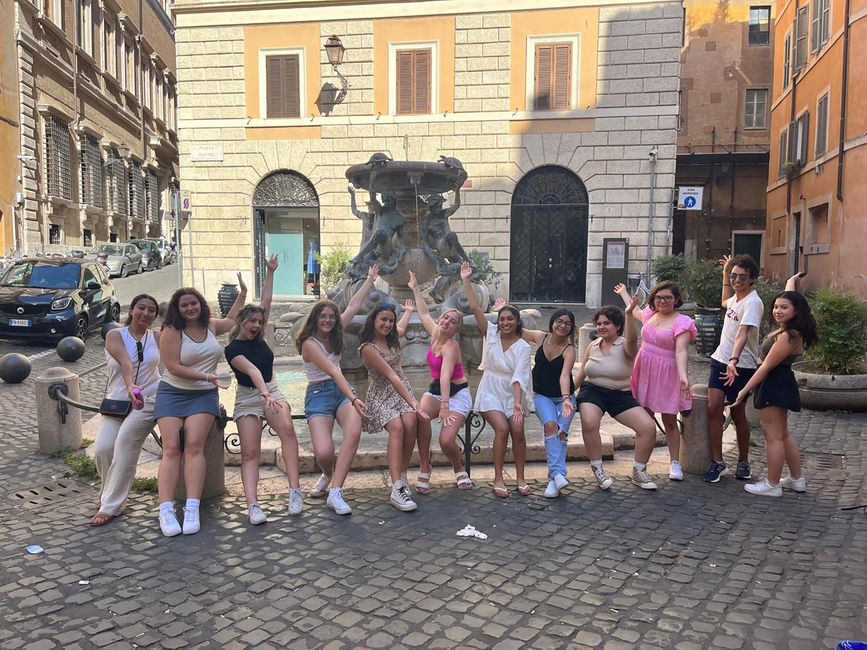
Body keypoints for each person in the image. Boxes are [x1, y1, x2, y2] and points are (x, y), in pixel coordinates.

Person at [154, 279, 245, 537]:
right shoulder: (172, 330)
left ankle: (192, 507)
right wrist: (207, 376)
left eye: (194, 303)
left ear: (200, 304)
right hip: (173, 392)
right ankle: (166, 509)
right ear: (177, 309)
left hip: (203, 396)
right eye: (185, 305)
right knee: (171, 448)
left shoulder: (211, 326)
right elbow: (172, 366)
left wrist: (244, 294)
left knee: (194, 446)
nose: (190, 308)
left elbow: (232, 319)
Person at [225, 256, 303, 524]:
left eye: (259, 321)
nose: (257, 325)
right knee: (249, 452)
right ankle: (253, 505)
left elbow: (266, 301)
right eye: (252, 322)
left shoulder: (260, 336)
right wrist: (263, 393)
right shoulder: (232, 349)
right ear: (241, 321)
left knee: (289, 431)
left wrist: (270, 272)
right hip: (249, 397)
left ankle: (295, 492)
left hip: (271, 390)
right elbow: (253, 371)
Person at [295, 266, 377, 515]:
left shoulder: (337, 331)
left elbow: (352, 305)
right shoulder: (309, 344)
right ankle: (327, 473)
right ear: (315, 319)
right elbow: (332, 370)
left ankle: (336, 491)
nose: (329, 320)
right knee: (324, 451)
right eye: (323, 317)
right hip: (319, 394)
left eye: (332, 316)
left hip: (341, 393)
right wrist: (354, 397)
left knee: (353, 432)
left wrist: (370, 279)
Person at [732, 274, 817, 496]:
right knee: (783, 434)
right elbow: (793, 297)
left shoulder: (788, 336)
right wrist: (791, 282)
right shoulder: (791, 330)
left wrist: (744, 390)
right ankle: (796, 480)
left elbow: (765, 367)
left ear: (796, 311)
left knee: (773, 436)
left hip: (774, 383)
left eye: (784, 307)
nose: (778, 310)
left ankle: (772, 484)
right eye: (776, 306)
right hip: (780, 382)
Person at [463, 262, 533, 498]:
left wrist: (516, 404)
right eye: (502, 319)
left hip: (512, 392)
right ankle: (498, 477)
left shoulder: (523, 347)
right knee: (502, 428)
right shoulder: (491, 333)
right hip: (490, 388)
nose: (504, 323)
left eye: (509, 319)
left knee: (518, 428)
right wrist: (466, 280)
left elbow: (519, 377)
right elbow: (474, 307)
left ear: (517, 322)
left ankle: (521, 476)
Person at [90, 294, 162, 527]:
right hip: (118, 402)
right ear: (131, 310)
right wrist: (130, 385)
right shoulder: (115, 335)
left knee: (125, 447)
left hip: (148, 400)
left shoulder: (158, 337)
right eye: (141, 308)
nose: (146, 313)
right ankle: (107, 494)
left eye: (151, 310)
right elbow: (125, 361)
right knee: (102, 449)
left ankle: (111, 505)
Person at [574, 295, 659, 490]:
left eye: (607, 323)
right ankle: (598, 469)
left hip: (620, 394)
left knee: (647, 427)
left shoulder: (626, 346)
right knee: (590, 422)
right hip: (592, 391)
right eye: (599, 323)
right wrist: (565, 395)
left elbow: (632, 338)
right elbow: (581, 374)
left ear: (617, 326)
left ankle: (639, 471)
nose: (602, 327)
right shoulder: (592, 346)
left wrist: (629, 313)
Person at [616, 281, 697, 481]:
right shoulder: (650, 314)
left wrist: (683, 376)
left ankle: (674, 463)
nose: (662, 301)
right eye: (659, 297)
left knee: (669, 419)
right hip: (645, 369)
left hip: (667, 373)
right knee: (645, 417)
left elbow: (681, 351)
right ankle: (642, 462)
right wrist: (624, 293)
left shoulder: (682, 322)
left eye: (667, 298)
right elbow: (633, 311)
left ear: (676, 300)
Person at [358, 300, 430, 511]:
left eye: (390, 320)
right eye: (383, 320)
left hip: (401, 391)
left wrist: (407, 312)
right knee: (397, 427)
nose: (388, 324)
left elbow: (401, 328)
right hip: (382, 394)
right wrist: (415, 402)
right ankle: (396, 486)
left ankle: (402, 475)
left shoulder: (392, 339)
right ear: (374, 320)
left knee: (411, 422)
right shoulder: (368, 349)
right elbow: (391, 376)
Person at [408, 269, 473, 492]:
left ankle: (458, 467)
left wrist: (445, 406)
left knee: (446, 441)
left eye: (452, 321)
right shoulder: (435, 332)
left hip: (456, 393)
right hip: (436, 390)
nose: (447, 321)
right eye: (445, 317)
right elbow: (424, 313)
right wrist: (415, 288)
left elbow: (446, 376)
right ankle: (425, 467)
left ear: (456, 329)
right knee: (421, 417)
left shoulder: (451, 346)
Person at [704, 254, 764, 483]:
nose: (737, 280)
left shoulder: (753, 302)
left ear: (752, 279)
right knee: (713, 408)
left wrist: (734, 360)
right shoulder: (737, 299)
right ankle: (718, 462)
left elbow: (743, 333)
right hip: (719, 359)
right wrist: (723, 276)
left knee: (738, 412)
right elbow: (724, 302)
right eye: (734, 276)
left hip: (742, 365)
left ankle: (743, 461)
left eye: (742, 277)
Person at [515, 305, 577, 498]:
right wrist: (508, 309)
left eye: (567, 323)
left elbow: (565, 376)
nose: (562, 325)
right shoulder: (541, 337)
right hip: (542, 395)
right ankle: (559, 474)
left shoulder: (569, 349)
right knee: (551, 425)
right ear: (552, 322)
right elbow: (519, 330)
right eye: (559, 321)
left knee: (561, 434)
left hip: (564, 398)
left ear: (571, 327)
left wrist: (567, 399)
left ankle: (553, 478)